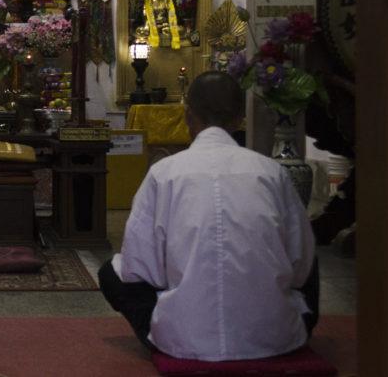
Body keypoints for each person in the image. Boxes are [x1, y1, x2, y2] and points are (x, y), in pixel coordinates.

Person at [99, 72, 317, 361]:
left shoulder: (164, 173)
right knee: (309, 252)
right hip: (276, 338)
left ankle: (170, 328)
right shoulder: (272, 172)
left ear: (188, 116)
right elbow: (299, 265)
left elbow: (138, 268)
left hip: (184, 340)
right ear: (240, 118)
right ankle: (275, 322)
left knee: (110, 272)